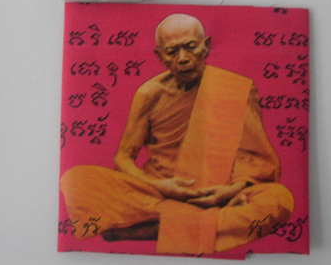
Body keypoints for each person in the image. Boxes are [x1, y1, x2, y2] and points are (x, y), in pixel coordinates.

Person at [60, 13, 294, 255]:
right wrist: (160, 186)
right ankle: (207, 222)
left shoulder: (235, 88)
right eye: (172, 51)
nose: (182, 58)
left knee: (278, 199)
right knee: (76, 180)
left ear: (206, 46)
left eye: (190, 47)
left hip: (220, 190)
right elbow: (123, 158)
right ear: (160, 55)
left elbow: (257, 157)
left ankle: (144, 230)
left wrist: (233, 190)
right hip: (159, 192)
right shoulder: (150, 94)